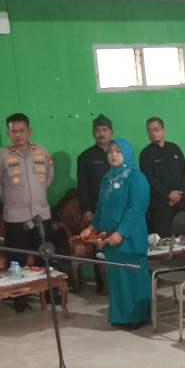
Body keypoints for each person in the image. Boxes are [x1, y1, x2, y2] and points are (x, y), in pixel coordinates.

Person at [80, 139, 151, 329]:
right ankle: (121, 316)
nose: (113, 155)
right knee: (118, 279)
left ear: (126, 153)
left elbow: (136, 208)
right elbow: (101, 206)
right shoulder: (108, 177)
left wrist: (121, 232)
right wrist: (92, 227)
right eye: (110, 151)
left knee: (133, 277)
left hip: (130, 236)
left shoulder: (136, 177)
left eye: (118, 151)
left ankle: (138, 317)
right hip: (110, 237)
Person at [0, 112, 54, 312]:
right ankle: (20, 298)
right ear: (8, 133)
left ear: (29, 131)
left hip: (41, 215)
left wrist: (37, 195)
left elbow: (49, 176)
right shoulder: (2, 155)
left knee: (45, 256)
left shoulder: (41, 152)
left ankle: (50, 293)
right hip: (16, 217)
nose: (18, 135)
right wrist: (12, 197)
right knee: (17, 259)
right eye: (13, 131)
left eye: (22, 130)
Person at [75, 114, 115, 293]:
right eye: (98, 130)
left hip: (118, 209)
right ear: (93, 133)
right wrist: (86, 209)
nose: (101, 133)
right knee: (100, 247)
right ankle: (103, 285)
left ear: (111, 132)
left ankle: (119, 282)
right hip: (97, 211)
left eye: (105, 130)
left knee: (117, 244)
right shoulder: (86, 156)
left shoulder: (118, 153)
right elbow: (82, 186)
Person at [139, 116, 185, 236]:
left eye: (156, 129)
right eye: (149, 130)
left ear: (164, 130)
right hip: (160, 206)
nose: (153, 133)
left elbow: (184, 172)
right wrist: (168, 194)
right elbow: (149, 179)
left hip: (180, 202)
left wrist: (178, 195)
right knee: (163, 241)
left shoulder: (174, 148)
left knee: (184, 239)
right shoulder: (145, 154)